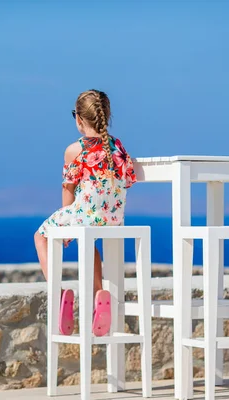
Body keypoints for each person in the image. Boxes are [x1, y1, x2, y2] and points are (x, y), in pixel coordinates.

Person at [34, 89, 137, 337]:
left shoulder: (76, 150)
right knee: (88, 241)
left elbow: (68, 195)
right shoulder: (118, 146)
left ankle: (58, 293)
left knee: (41, 236)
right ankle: (98, 292)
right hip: (114, 218)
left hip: (85, 214)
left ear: (79, 119)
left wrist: (64, 219)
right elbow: (129, 180)